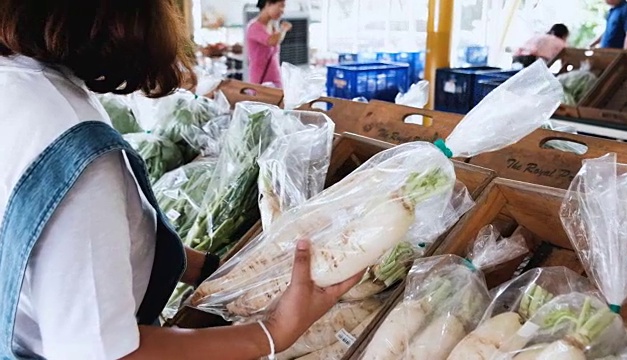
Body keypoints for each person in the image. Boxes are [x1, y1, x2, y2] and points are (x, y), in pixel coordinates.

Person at [0, 1, 361, 360]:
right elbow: (103, 354)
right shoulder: (79, 156)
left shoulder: (18, 88)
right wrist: (273, 332)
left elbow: (81, 246)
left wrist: (211, 270)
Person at [246, 0, 292, 88]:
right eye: (281, 6)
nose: (282, 11)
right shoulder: (254, 27)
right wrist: (284, 29)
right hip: (260, 83)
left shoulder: (273, 26)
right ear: (268, 4)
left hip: (276, 80)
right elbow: (272, 41)